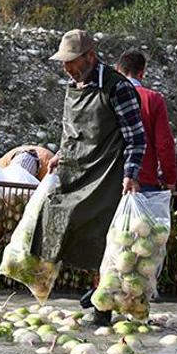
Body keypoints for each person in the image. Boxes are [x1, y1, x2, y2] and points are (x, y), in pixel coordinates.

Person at [40, 29, 147, 326]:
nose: (66, 67)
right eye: (64, 62)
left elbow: (136, 138)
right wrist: (61, 154)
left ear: (90, 56)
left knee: (103, 241)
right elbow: (70, 130)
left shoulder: (117, 88)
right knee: (59, 222)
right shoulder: (73, 86)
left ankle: (102, 310)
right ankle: (92, 294)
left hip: (108, 176)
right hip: (76, 171)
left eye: (71, 61)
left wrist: (130, 174)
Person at [115, 49, 177, 191]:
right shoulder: (153, 99)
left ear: (118, 69)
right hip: (144, 180)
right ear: (141, 74)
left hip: (111, 179)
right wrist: (170, 178)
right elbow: (164, 143)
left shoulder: (109, 97)